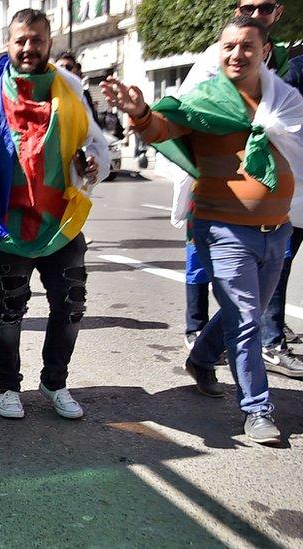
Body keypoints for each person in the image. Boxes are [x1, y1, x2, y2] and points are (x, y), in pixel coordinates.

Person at [102, 16, 303, 444]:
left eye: (247, 46)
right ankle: (257, 409)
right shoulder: (207, 99)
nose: (236, 54)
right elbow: (162, 126)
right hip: (223, 229)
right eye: (228, 46)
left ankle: (203, 356)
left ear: (265, 51)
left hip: (278, 230)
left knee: (243, 312)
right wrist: (139, 111)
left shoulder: (286, 101)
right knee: (247, 317)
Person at [0, 8, 110, 421]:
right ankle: (8, 387)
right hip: (8, 221)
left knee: (71, 304)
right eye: (21, 40)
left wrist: (91, 163)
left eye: (37, 39)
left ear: (49, 43)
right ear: (9, 44)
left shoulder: (69, 89)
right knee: (10, 307)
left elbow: (93, 141)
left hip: (60, 220)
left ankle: (54, 382)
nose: (29, 47)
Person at [169, 0, 303, 375]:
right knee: (227, 292)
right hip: (218, 199)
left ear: (277, 13)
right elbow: (184, 119)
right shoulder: (219, 58)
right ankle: (208, 335)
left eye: (265, 8)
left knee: (252, 298)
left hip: (277, 200)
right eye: (248, 6)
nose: (256, 13)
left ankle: (210, 352)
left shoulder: (284, 63)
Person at [55, 51, 101, 124]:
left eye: (68, 67)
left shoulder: (83, 94)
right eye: (61, 68)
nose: (64, 71)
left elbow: (94, 122)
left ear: (74, 70)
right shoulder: (49, 91)